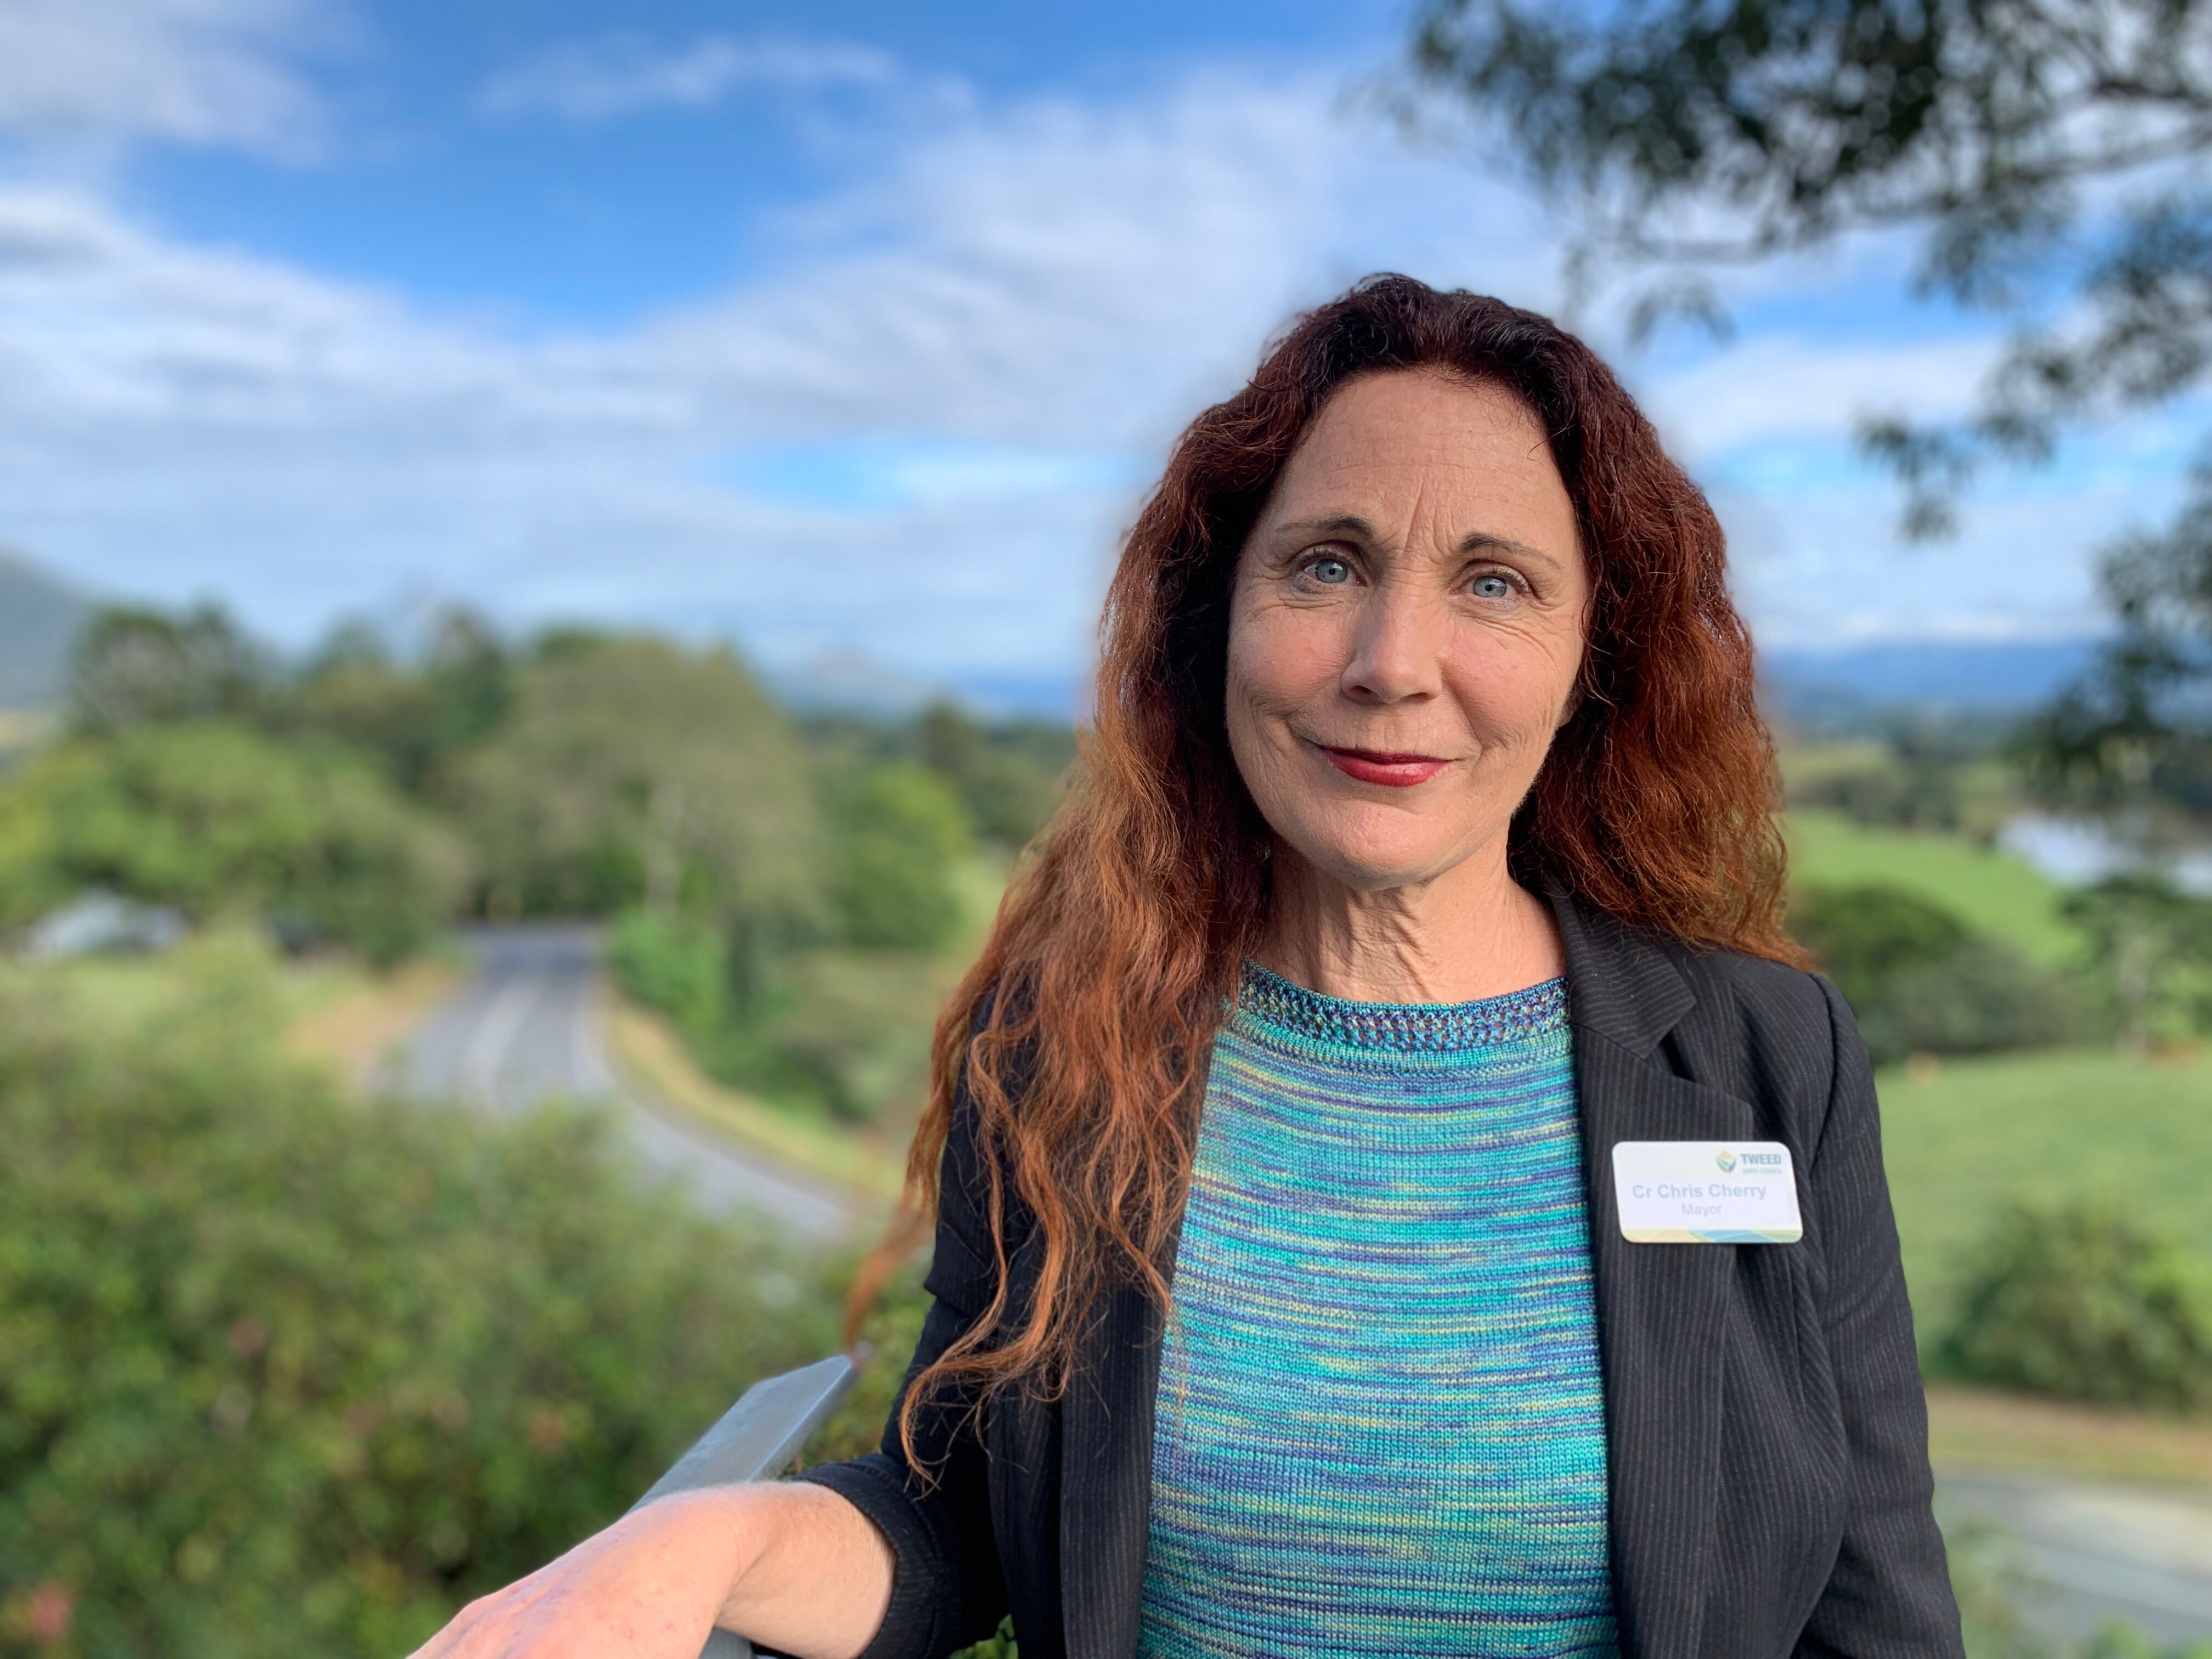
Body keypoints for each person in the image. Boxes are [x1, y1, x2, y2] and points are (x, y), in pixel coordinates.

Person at [412, 276, 1965, 1659]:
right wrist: (700, 1543)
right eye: (1327, 564)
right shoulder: (1073, 1039)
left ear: (1590, 662)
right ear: (1215, 619)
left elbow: (1876, 1604)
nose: (1392, 662)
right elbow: (956, 1528)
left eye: (1494, 582)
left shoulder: (1769, 1056)